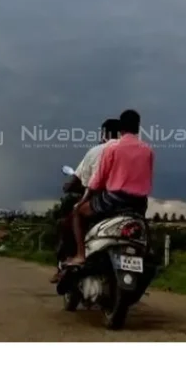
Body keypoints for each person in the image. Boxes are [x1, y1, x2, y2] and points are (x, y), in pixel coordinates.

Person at [65, 109, 154, 267]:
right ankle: (148, 254)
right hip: (140, 203)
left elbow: (97, 180)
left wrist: (83, 200)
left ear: (121, 129)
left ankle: (80, 255)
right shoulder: (148, 150)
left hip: (114, 200)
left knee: (78, 212)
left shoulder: (112, 148)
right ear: (138, 127)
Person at [51, 118, 120, 283]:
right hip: (128, 203)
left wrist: (73, 189)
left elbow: (83, 180)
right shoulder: (131, 152)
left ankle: (73, 258)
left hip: (100, 204)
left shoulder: (96, 151)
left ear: (105, 133)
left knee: (71, 220)